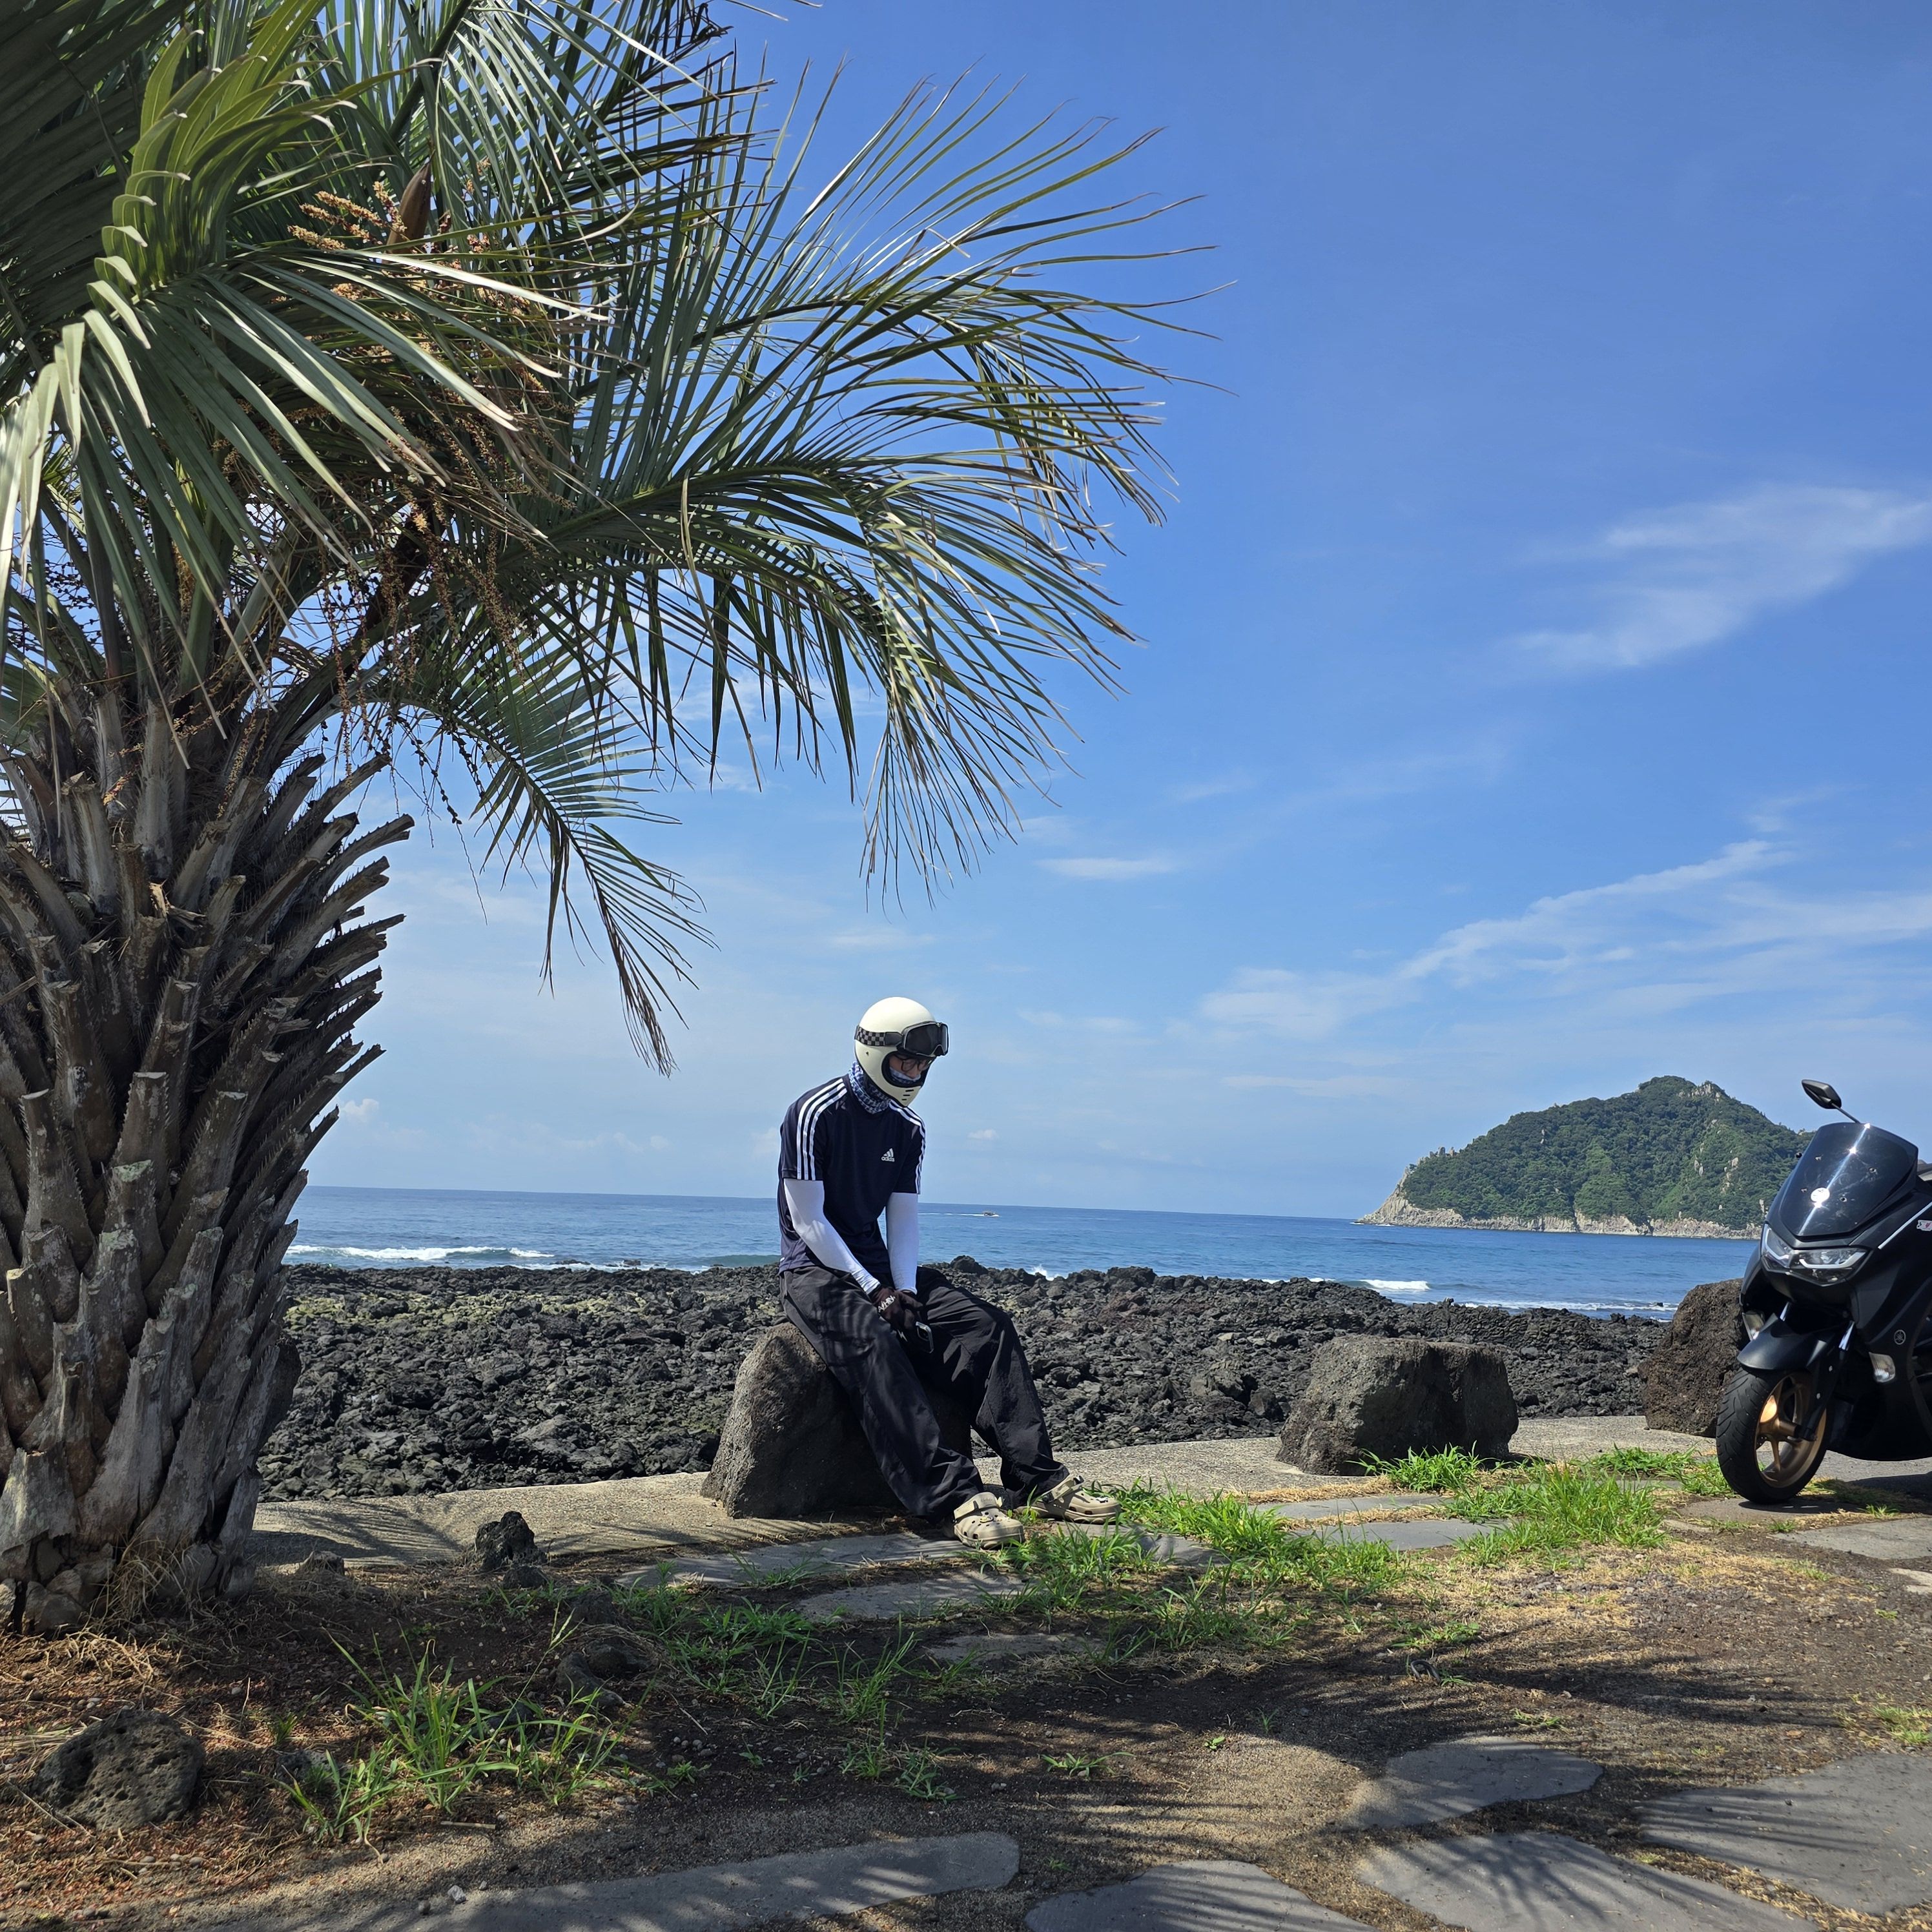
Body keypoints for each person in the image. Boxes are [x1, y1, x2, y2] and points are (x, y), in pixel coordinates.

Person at [777, 996, 1120, 1548]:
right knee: (875, 1344)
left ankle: (1036, 1478)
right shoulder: (815, 1112)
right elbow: (808, 1221)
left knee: (988, 1326)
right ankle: (955, 1498)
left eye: (924, 1064)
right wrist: (874, 1292)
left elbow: (903, 1219)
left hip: (881, 1269)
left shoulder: (909, 1127)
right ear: (874, 1053)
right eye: (906, 1061)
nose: (916, 1072)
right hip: (815, 1271)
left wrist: (905, 1290)